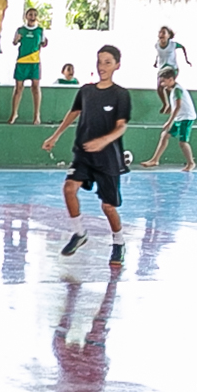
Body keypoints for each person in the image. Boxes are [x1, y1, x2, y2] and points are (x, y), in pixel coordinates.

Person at [42, 45, 131, 266]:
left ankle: (119, 242)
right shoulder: (86, 91)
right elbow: (73, 113)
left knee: (108, 207)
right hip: (84, 154)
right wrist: (55, 136)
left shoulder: (121, 94)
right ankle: (79, 232)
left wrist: (104, 140)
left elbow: (121, 126)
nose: (102, 66)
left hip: (108, 158)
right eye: (100, 61)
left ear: (117, 65)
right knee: (69, 188)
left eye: (108, 62)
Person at [141, 66, 196, 171]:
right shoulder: (172, 89)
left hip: (186, 118)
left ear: (171, 79)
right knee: (165, 135)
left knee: (182, 142)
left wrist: (169, 121)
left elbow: (178, 106)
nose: (162, 84)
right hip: (179, 117)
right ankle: (155, 160)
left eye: (163, 81)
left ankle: (191, 163)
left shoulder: (177, 90)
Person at [8, 7, 47, 125]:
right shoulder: (20, 30)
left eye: (35, 15)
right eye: (30, 14)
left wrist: (45, 43)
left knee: (35, 87)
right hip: (22, 61)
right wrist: (16, 40)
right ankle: (14, 113)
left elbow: (43, 43)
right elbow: (14, 42)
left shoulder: (40, 30)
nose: (32, 17)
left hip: (34, 62)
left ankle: (36, 115)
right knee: (18, 88)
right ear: (26, 16)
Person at [153, 26, 189, 113]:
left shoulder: (173, 45)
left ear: (168, 35)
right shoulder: (157, 45)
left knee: (168, 87)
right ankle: (166, 104)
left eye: (164, 33)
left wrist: (186, 59)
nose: (161, 34)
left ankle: (172, 105)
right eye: (160, 33)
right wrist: (155, 62)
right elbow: (159, 53)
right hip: (162, 68)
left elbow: (183, 47)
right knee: (159, 88)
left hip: (172, 68)